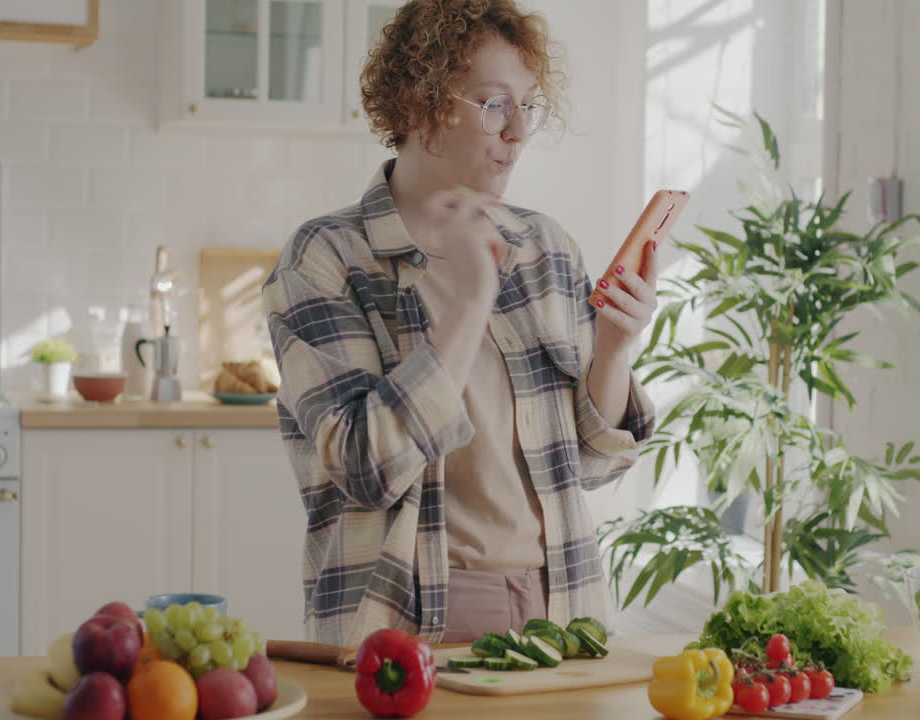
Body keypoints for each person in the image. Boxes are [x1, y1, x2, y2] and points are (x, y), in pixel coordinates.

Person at [263, 0, 658, 648]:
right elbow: (366, 468)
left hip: (564, 604)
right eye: (494, 104)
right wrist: (472, 300)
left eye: (528, 106)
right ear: (418, 104)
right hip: (411, 617)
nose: (518, 132)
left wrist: (613, 351)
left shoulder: (544, 246)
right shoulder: (327, 258)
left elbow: (590, 465)